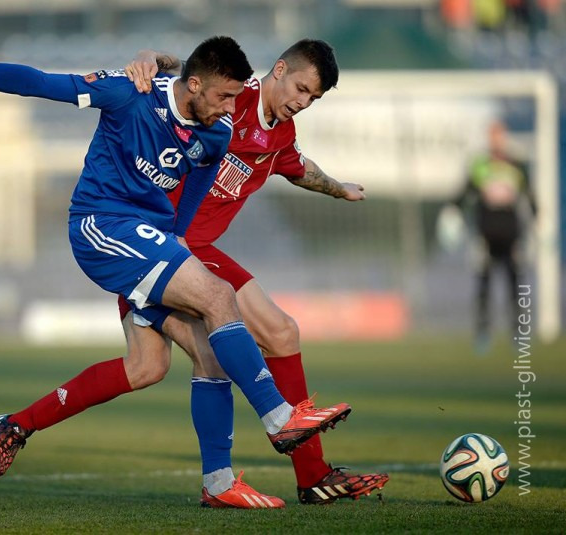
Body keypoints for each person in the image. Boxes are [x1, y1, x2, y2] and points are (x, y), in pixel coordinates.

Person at [0, 37, 352, 508]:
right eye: (224, 98)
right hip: (101, 226)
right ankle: (280, 419)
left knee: (168, 363)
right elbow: (38, 82)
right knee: (220, 297)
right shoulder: (130, 92)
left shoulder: (216, 131)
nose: (230, 109)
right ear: (195, 85)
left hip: (153, 243)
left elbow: (200, 180)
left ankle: (211, 483)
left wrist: (178, 237)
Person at [119, 39, 389, 507]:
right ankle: (292, 450)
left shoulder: (282, 133)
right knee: (263, 335)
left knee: (258, 340)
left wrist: (337, 188)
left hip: (202, 248)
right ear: (279, 69)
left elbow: (298, 168)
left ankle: (305, 474)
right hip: (168, 241)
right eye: (301, 89)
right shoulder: (232, 96)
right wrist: (153, 58)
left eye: (313, 98)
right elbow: (188, 80)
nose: (303, 102)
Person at [452, 119, 537, 354]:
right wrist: (452, 211)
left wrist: (539, 222)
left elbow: (529, 196)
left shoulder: (516, 165)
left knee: (515, 285)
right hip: (485, 234)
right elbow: (465, 192)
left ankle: (519, 333)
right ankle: (483, 332)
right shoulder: (480, 164)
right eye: (493, 135)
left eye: (500, 135)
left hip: (511, 234)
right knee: (484, 286)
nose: (496, 140)